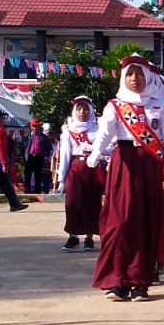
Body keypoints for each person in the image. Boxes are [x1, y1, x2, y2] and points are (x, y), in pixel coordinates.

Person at [88, 56, 164, 302]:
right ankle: (116, 280)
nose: (135, 79)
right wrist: (96, 152)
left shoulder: (161, 107)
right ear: (123, 78)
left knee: (145, 223)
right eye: (130, 74)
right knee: (119, 223)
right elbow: (105, 132)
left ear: (148, 77)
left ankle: (140, 281)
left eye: (139, 74)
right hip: (124, 165)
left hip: (150, 166)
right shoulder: (115, 106)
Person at [57, 96, 105, 253]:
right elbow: (64, 155)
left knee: (91, 203)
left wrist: (94, 151)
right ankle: (73, 236)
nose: (82, 112)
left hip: (92, 168)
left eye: (85, 109)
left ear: (91, 111)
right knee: (73, 203)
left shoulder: (98, 130)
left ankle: (89, 238)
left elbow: (106, 150)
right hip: (75, 169)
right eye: (78, 109)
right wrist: (61, 179)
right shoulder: (68, 132)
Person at [22, 120, 52, 195]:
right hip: (29, 157)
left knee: (38, 174)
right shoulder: (26, 137)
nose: (35, 128)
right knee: (27, 174)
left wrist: (46, 156)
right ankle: (27, 190)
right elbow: (22, 147)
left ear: (39, 126)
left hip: (39, 157)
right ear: (31, 127)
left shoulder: (43, 137)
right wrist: (21, 157)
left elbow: (48, 148)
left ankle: (37, 190)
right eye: (33, 126)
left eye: (36, 126)